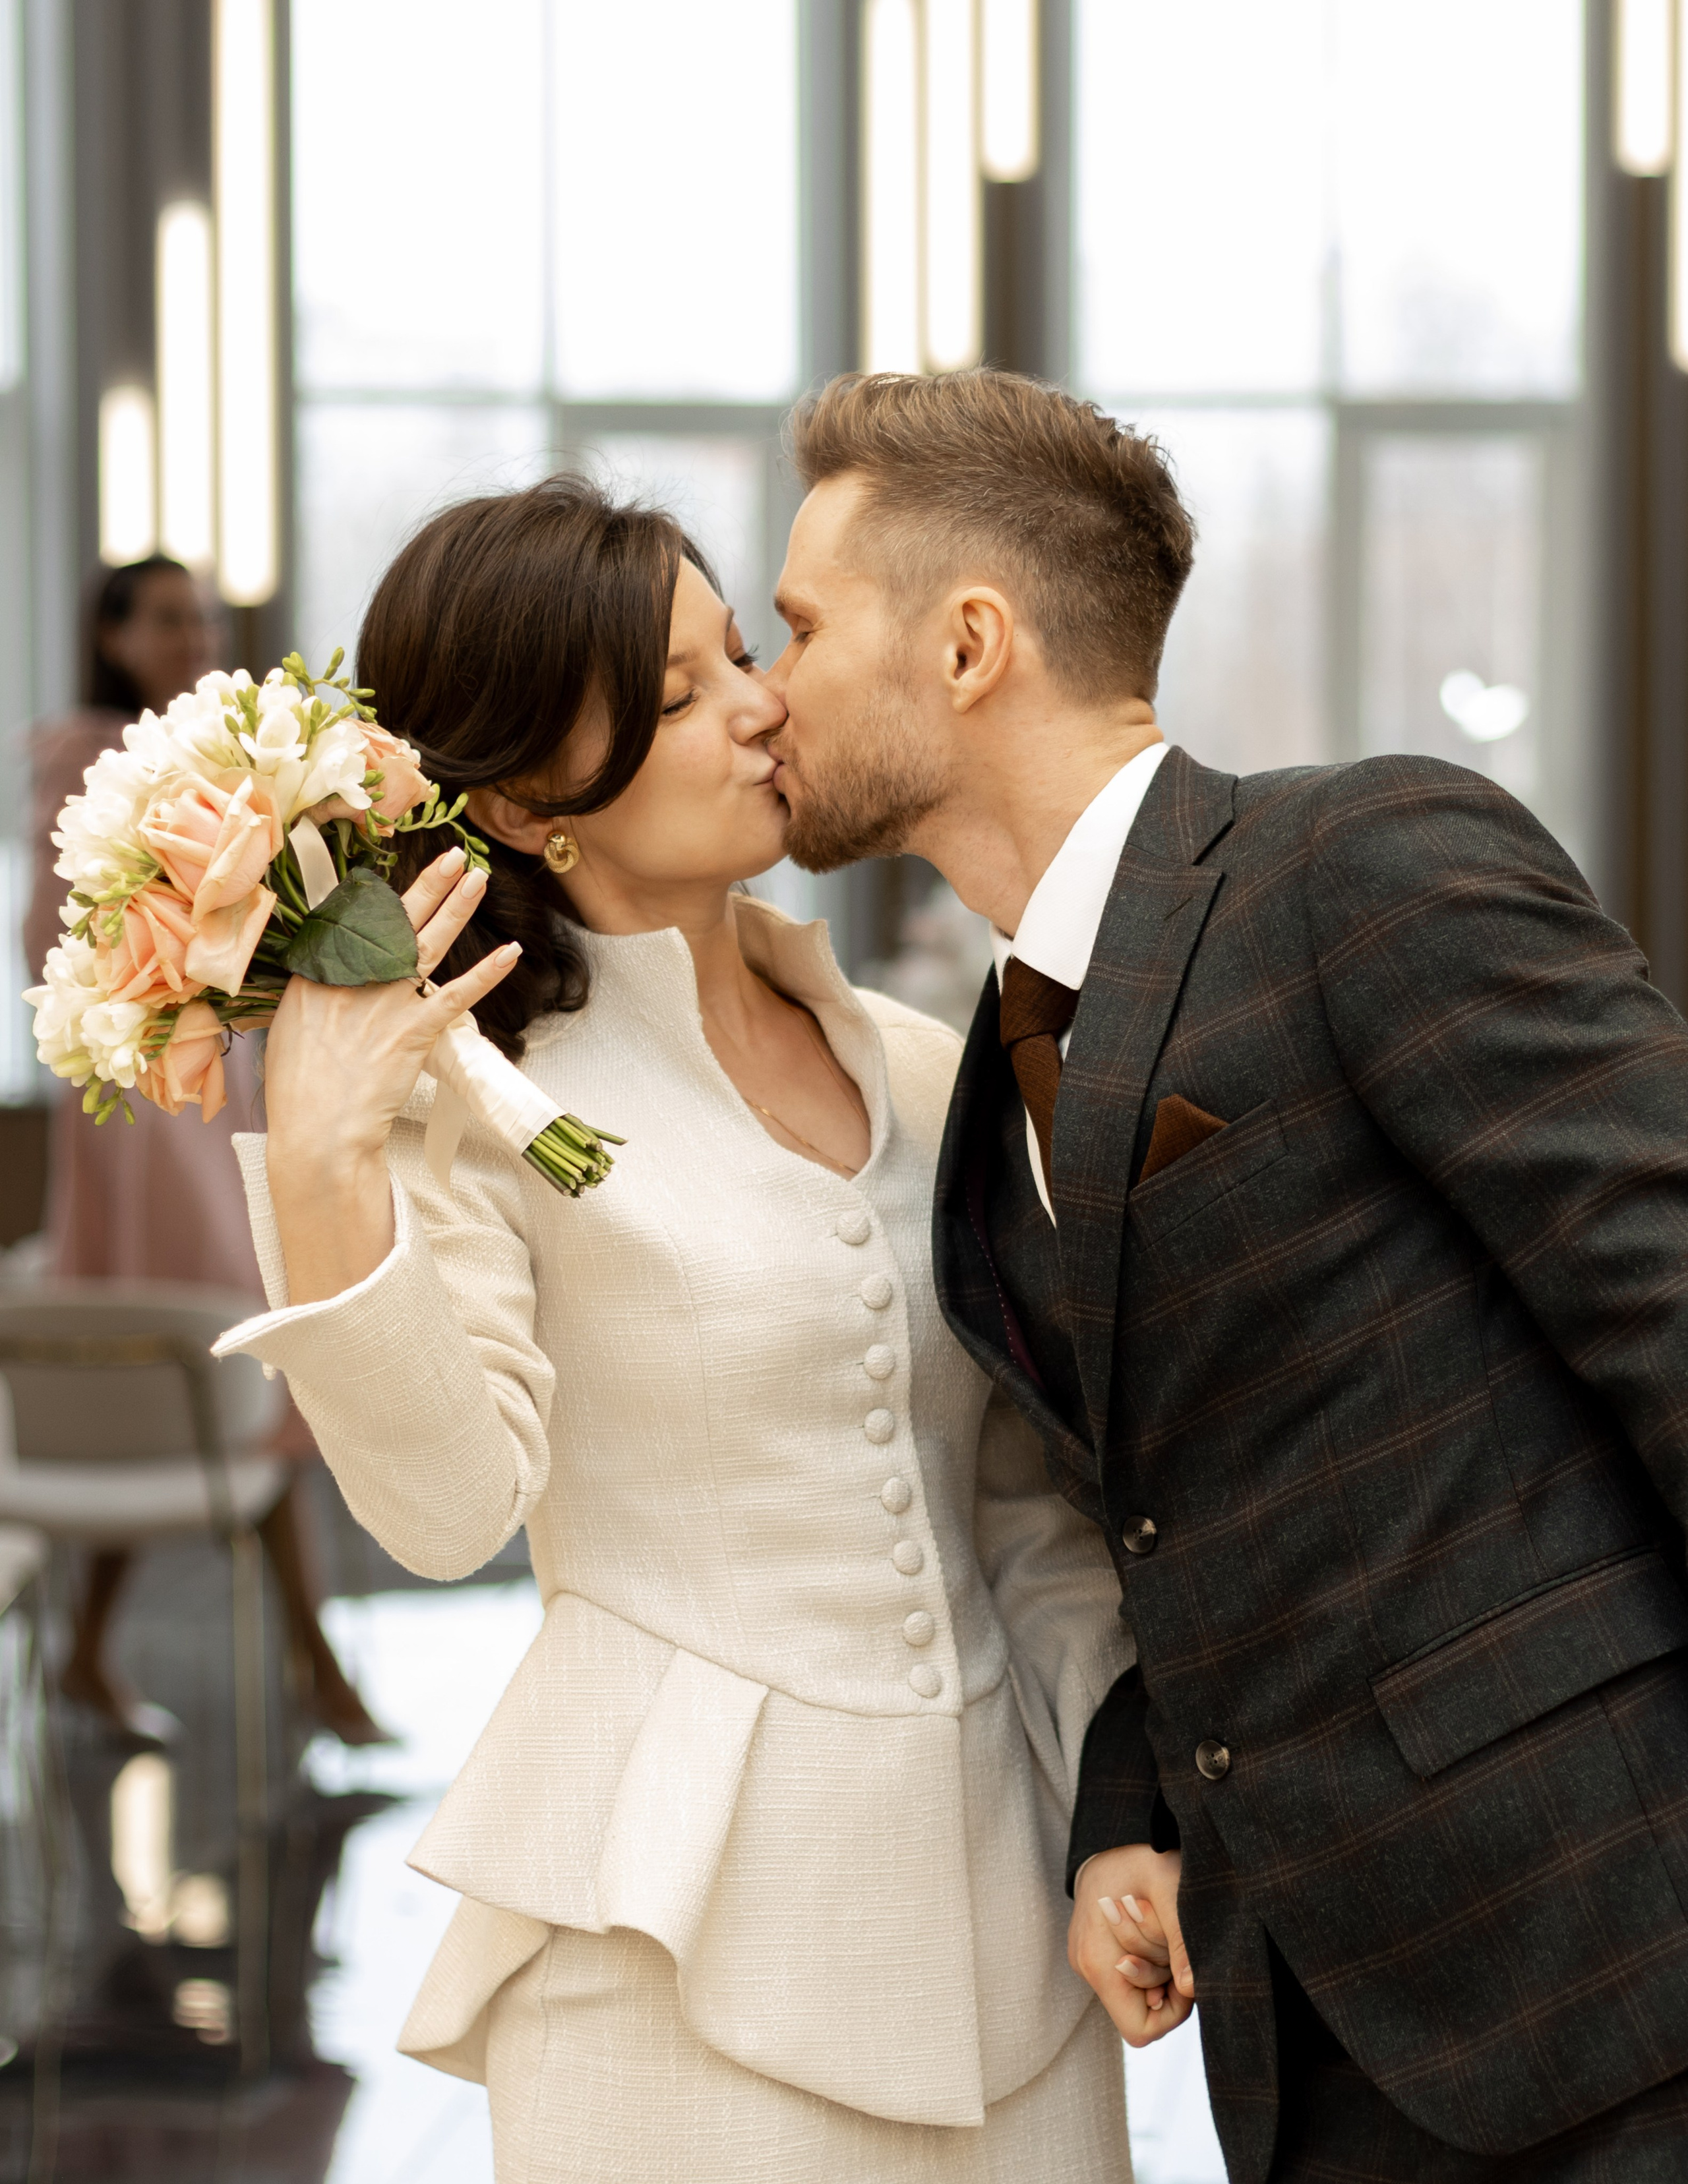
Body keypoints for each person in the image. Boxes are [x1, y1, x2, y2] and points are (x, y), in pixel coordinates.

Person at [761, 367, 1688, 2184]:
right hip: (1304, 2024)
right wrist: (1130, 1808)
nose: (766, 685)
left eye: (797, 626)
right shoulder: (987, 1071)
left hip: (1614, 1955)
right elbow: (1152, 1493)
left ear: (967, 645)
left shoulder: (1358, 861)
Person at [214, 477, 1133, 2182]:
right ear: (522, 801)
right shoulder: (473, 1113)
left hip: (1018, 1937)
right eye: (680, 694)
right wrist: (332, 1157)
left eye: (740, 654)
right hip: (672, 1947)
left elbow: (1023, 1507)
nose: (760, 702)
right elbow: (440, 1514)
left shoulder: (930, 1072)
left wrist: (1120, 1813)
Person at [26, 555, 385, 1747]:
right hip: (143, 1109)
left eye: (206, 618)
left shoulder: (217, 757)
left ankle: (112, 1651)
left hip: (217, 1086)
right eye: (171, 617)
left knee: (232, 1359)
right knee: (224, 1345)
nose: (195, 634)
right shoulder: (80, 764)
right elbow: (65, 949)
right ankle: (311, 1663)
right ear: (112, 634)